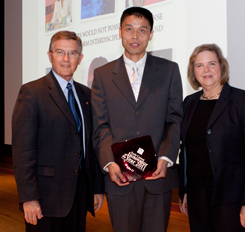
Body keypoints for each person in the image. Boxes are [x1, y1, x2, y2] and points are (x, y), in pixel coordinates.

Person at [91, 6, 183, 232]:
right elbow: (100, 125)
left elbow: (175, 119)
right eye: (129, 29)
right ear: (120, 32)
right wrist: (110, 163)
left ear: (151, 34)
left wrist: (166, 157)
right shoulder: (102, 75)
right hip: (120, 178)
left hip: (158, 178)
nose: (135, 36)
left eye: (142, 30)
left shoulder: (169, 70)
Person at [12, 31, 104, 232]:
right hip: (45, 198)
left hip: (79, 194)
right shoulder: (31, 93)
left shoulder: (86, 94)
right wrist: (28, 197)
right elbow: (23, 152)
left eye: (72, 53)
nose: (65, 59)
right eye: (60, 52)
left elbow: (91, 145)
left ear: (80, 59)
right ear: (49, 55)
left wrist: (96, 188)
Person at [178, 43, 245, 232]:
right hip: (196, 196)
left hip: (231, 199)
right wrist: (184, 191)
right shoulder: (189, 103)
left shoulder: (243, 100)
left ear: (222, 67)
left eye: (212, 63)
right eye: (199, 65)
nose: (206, 70)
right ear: (193, 71)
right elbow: (186, 151)